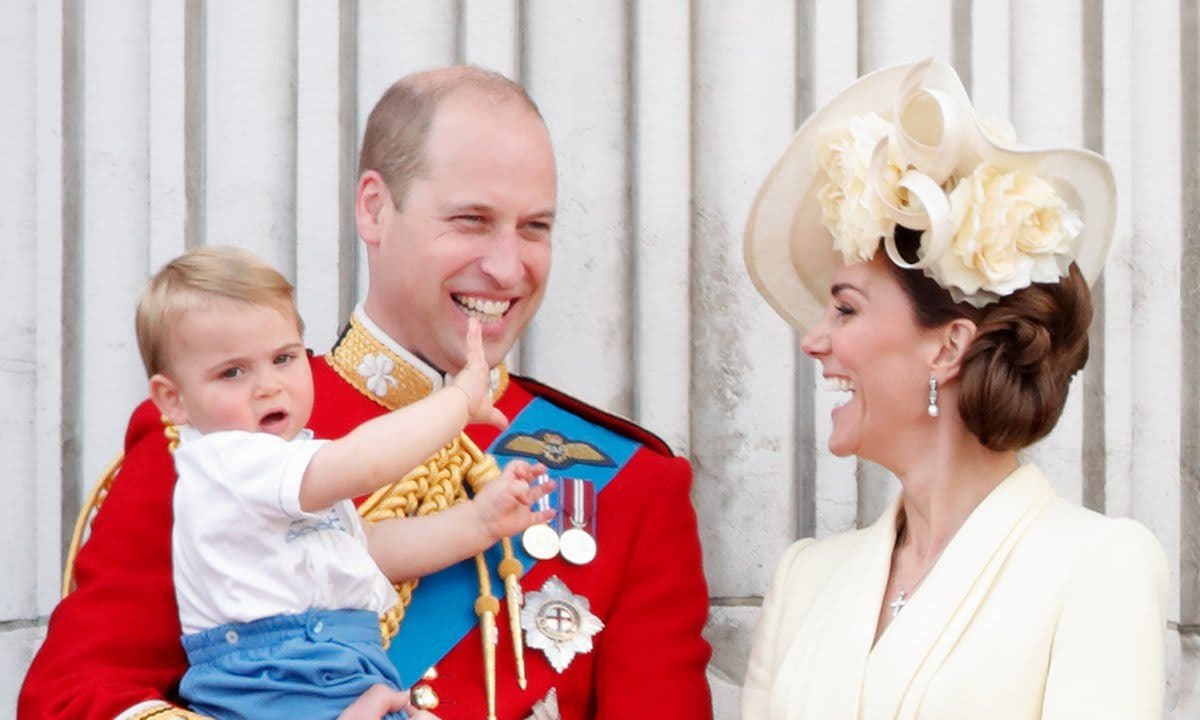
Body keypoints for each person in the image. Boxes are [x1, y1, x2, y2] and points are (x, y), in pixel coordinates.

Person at [19, 66, 713, 720]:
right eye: (471, 220)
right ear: (375, 210)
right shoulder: (220, 429)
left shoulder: (628, 485)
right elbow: (71, 698)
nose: (508, 266)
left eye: (535, 226)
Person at [740, 59, 1168, 718]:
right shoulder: (805, 579)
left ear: (947, 347)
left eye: (846, 309)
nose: (813, 340)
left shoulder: (1098, 566)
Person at [134, 246, 552, 719]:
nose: (268, 385)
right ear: (174, 401)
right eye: (232, 371)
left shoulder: (279, 467)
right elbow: (364, 462)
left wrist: (478, 522)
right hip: (283, 679)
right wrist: (457, 401)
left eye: (284, 358)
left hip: (324, 672)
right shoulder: (230, 459)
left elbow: (371, 550)